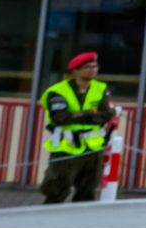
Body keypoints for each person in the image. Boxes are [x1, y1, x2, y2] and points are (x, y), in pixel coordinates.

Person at [39, 52, 114, 204]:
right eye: (88, 67)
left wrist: (77, 115)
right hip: (66, 147)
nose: (92, 70)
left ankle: (81, 218)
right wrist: (90, 114)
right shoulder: (58, 91)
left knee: (87, 191)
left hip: (93, 148)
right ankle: (48, 217)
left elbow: (107, 114)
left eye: (95, 66)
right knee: (57, 190)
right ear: (76, 70)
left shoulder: (100, 88)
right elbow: (60, 117)